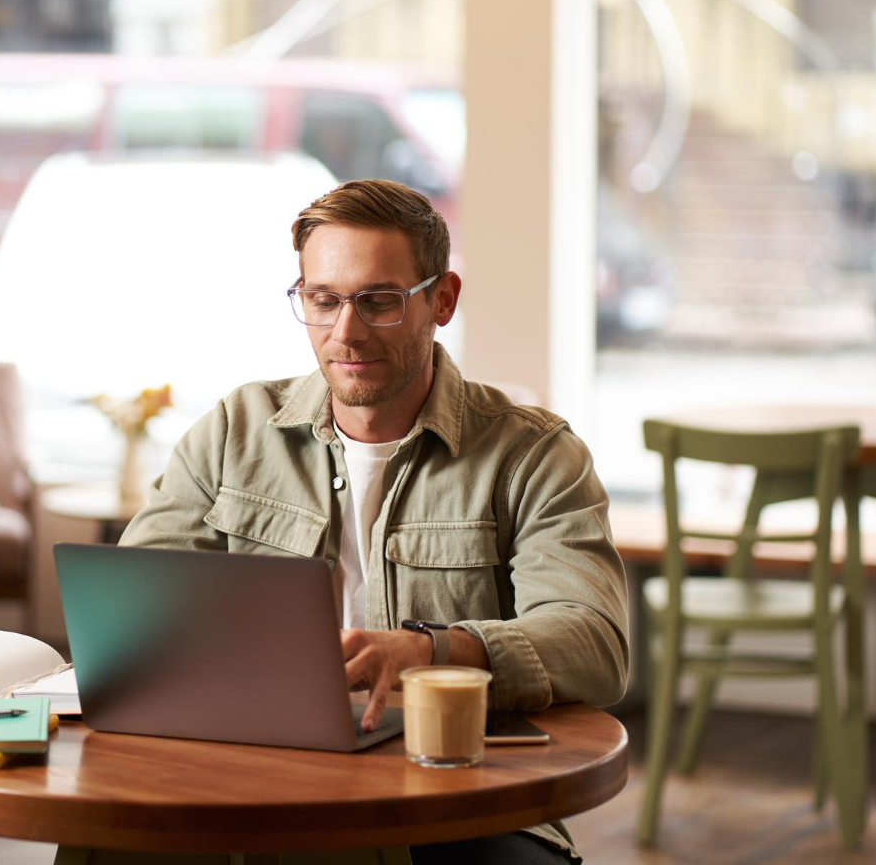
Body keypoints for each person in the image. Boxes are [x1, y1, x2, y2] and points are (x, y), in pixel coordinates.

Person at [119, 179, 629, 864]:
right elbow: (134, 614)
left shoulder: (532, 453)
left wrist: (429, 651)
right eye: (322, 301)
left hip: (457, 798)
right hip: (251, 781)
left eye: (378, 302)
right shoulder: (234, 431)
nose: (345, 332)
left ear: (442, 300)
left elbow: (594, 643)